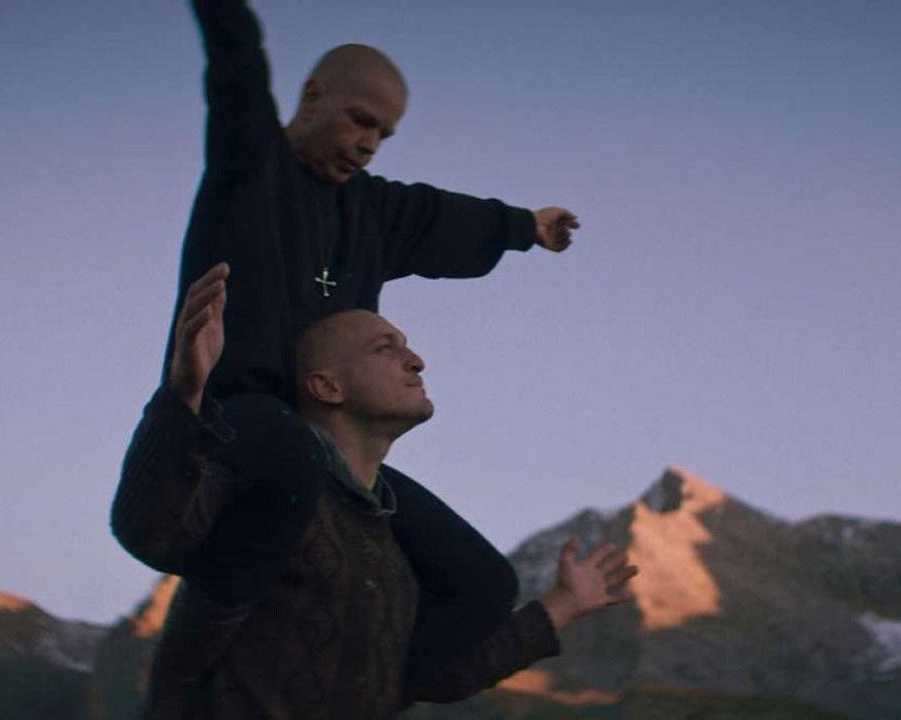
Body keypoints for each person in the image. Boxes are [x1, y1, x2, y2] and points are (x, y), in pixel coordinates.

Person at [117, 0, 580, 654]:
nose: (369, 144)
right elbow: (237, 66)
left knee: (482, 582)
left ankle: (380, 684)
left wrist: (525, 226)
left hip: (334, 443)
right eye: (360, 121)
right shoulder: (250, 168)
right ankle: (207, 631)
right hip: (241, 414)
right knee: (294, 457)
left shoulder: (370, 210)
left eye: (384, 135)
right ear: (312, 97)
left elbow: (439, 217)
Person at [133, 264, 637, 718]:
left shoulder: (397, 555)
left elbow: (432, 678)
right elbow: (156, 528)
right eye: (385, 348)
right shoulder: (267, 497)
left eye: (406, 346)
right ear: (327, 387)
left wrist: (563, 605)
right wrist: (184, 396)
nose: (416, 361)